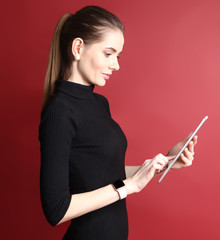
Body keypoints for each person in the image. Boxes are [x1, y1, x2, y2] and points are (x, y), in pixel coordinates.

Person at [39, 6, 198, 240]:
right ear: (78, 48)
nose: (116, 65)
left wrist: (166, 162)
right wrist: (128, 187)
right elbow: (56, 209)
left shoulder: (99, 103)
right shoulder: (59, 111)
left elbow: (101, 174)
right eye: (108, 53)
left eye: (118, 56)